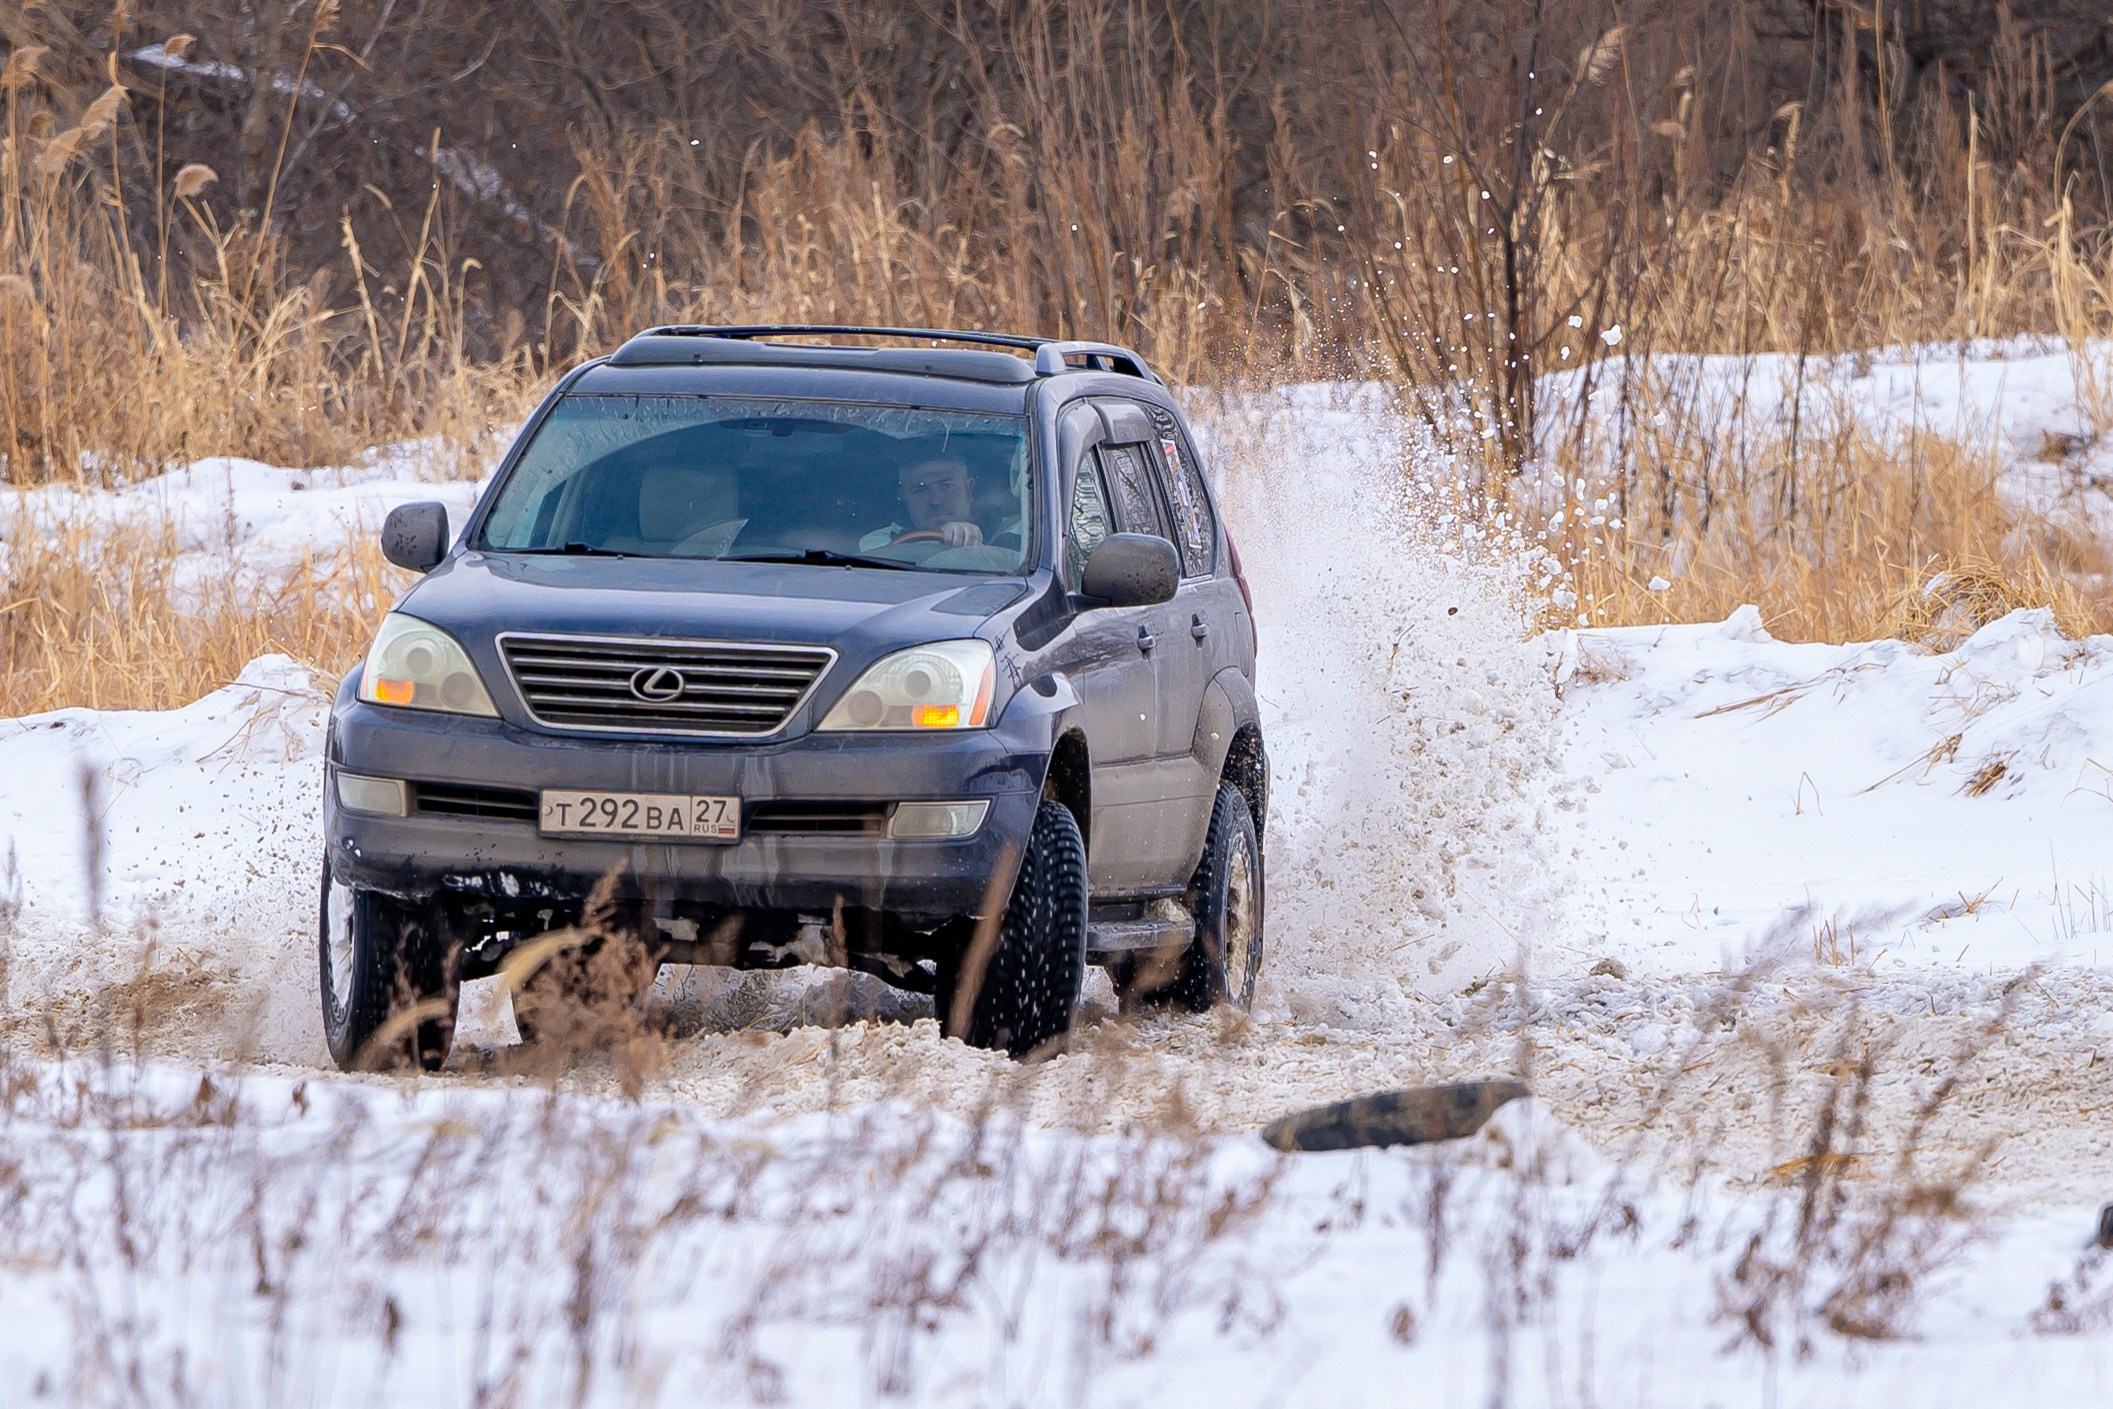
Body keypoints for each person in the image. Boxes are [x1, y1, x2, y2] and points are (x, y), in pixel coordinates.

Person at [860, 454, 983, 551]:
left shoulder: (995, 535)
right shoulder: (879, 541)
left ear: (969, 489)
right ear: (904, 497)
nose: (935, 501)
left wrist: (975, 544)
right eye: (921, 490)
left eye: (946, 486)